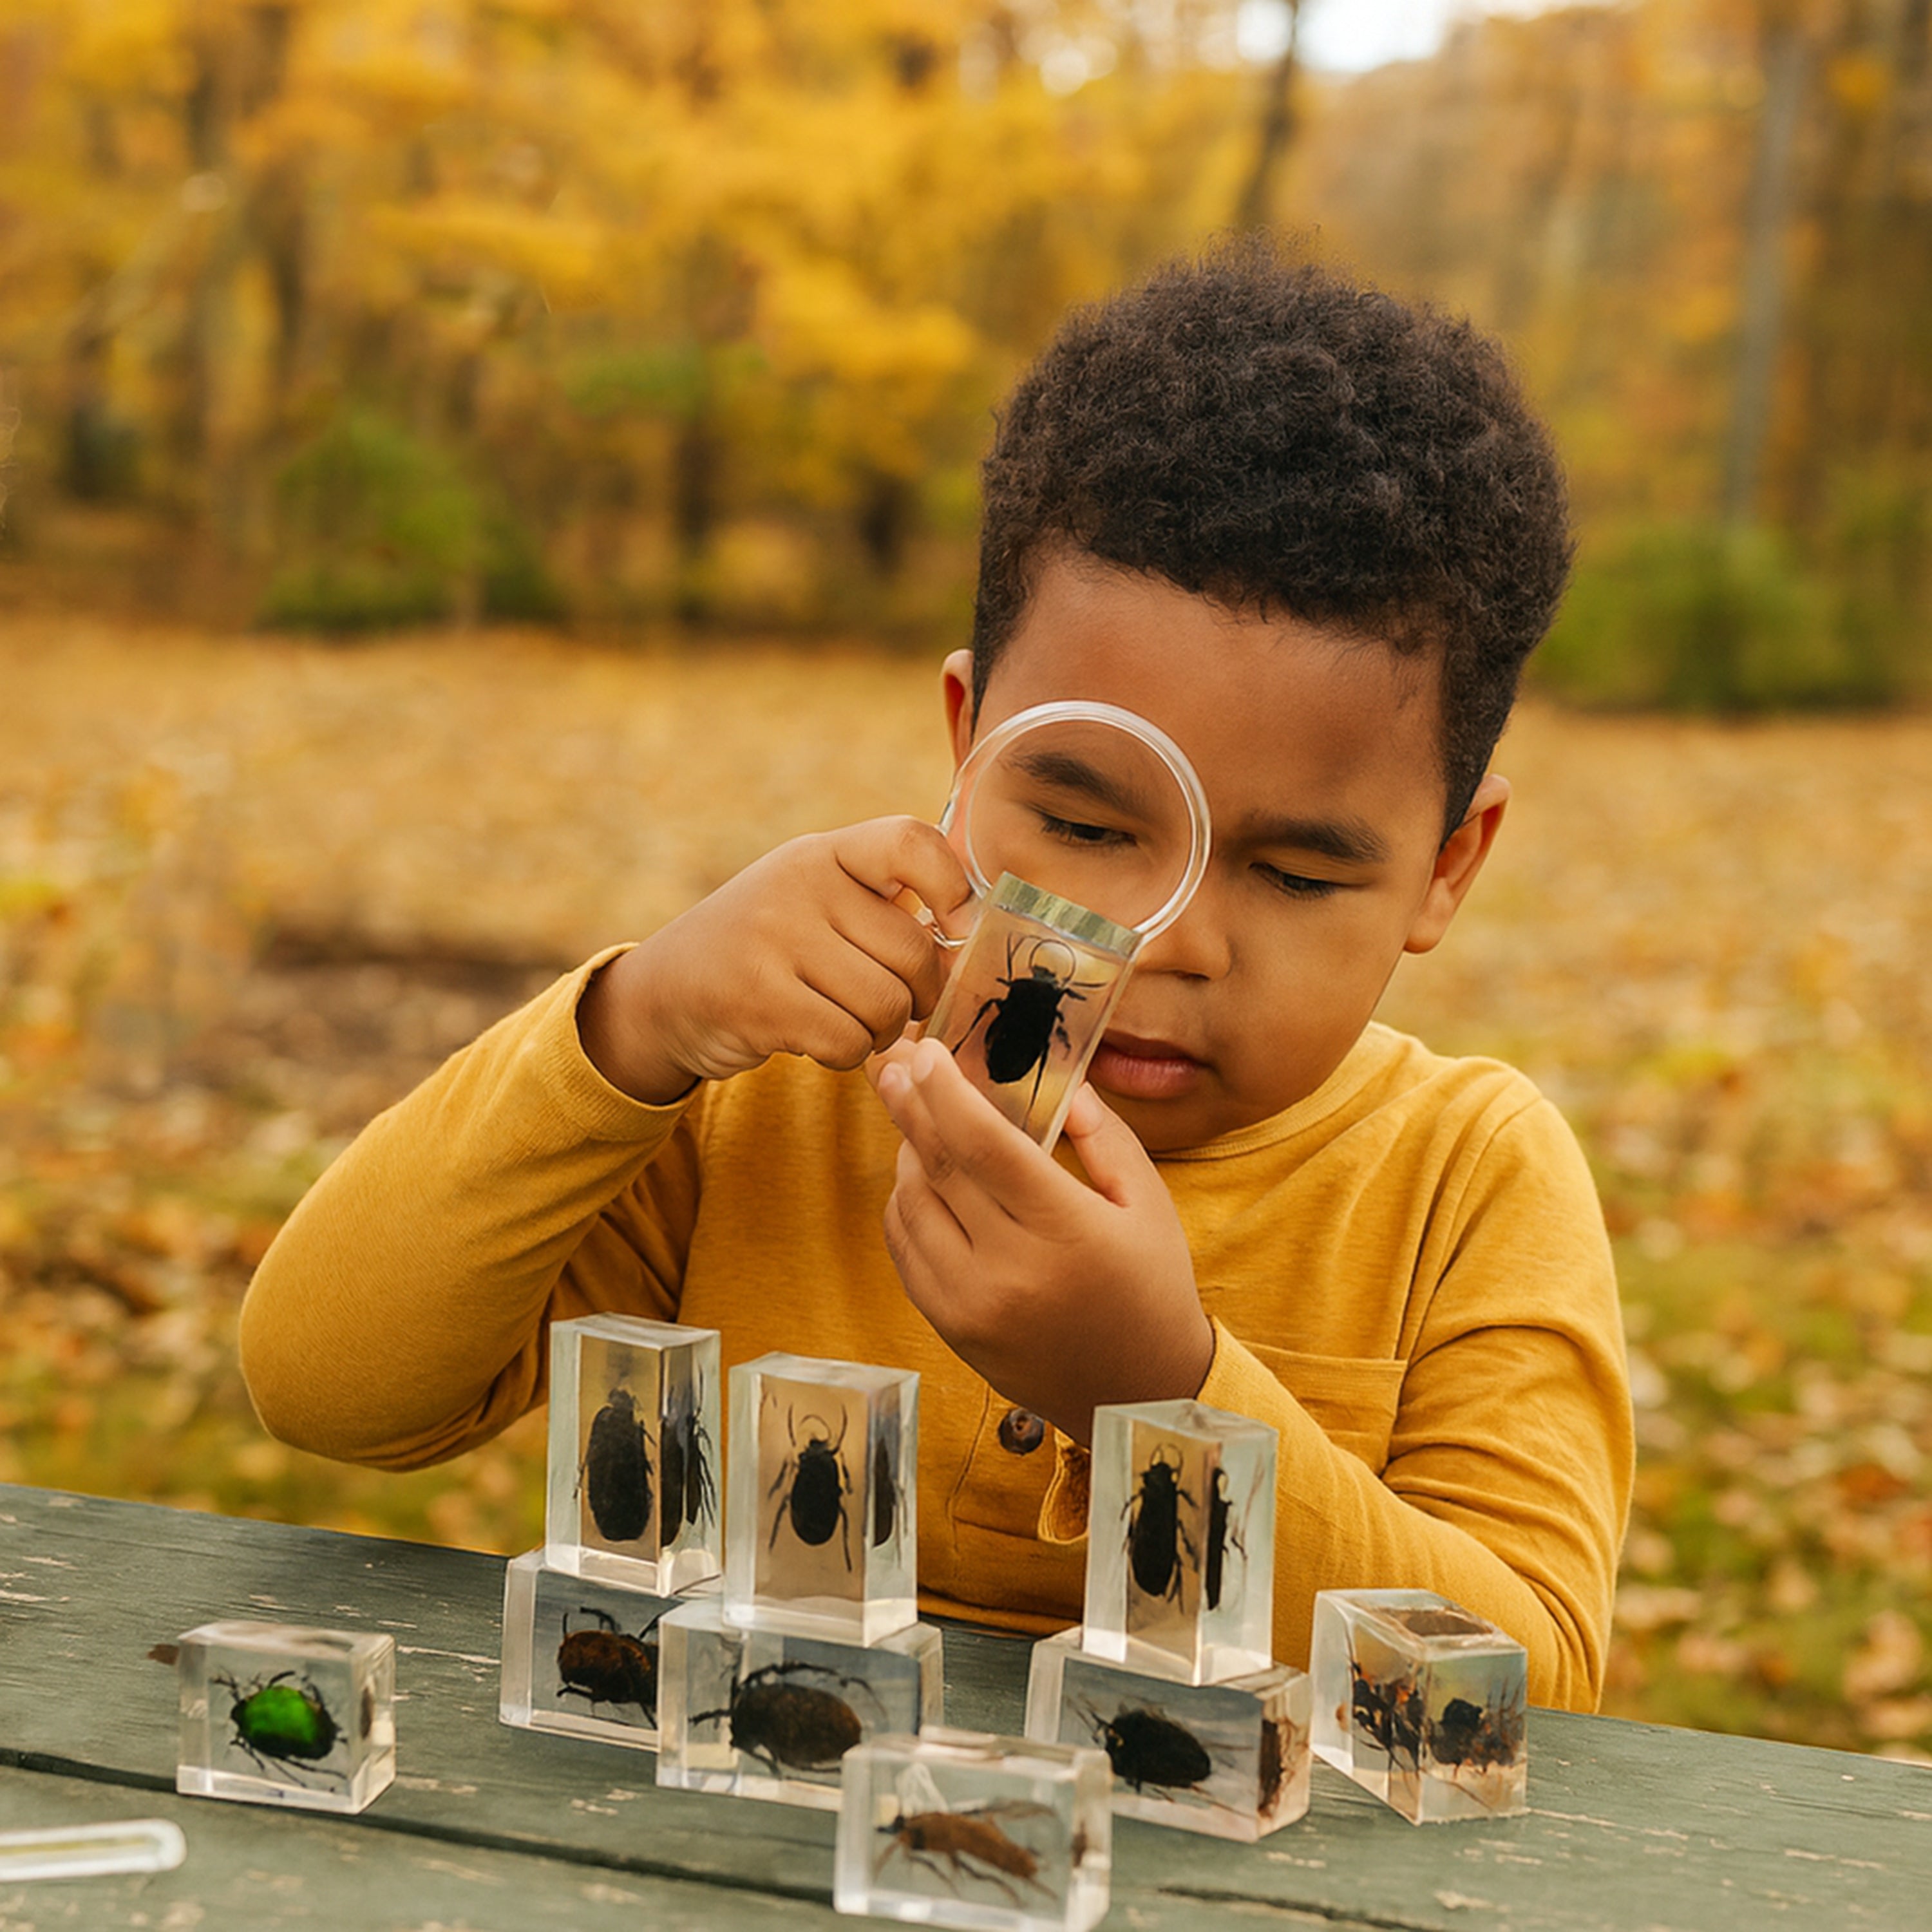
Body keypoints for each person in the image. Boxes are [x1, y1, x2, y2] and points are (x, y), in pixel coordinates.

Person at [240, 238, 1633, 1711]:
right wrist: (632, 1023)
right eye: (1087, 824)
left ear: (1447, 869)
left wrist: (1154, 1393)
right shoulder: (765, 1089)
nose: (1164, 939)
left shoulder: (1466, 1179)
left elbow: (1528, 1683)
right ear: (969, 747)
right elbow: (331, 1389)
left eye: (1298, 873)